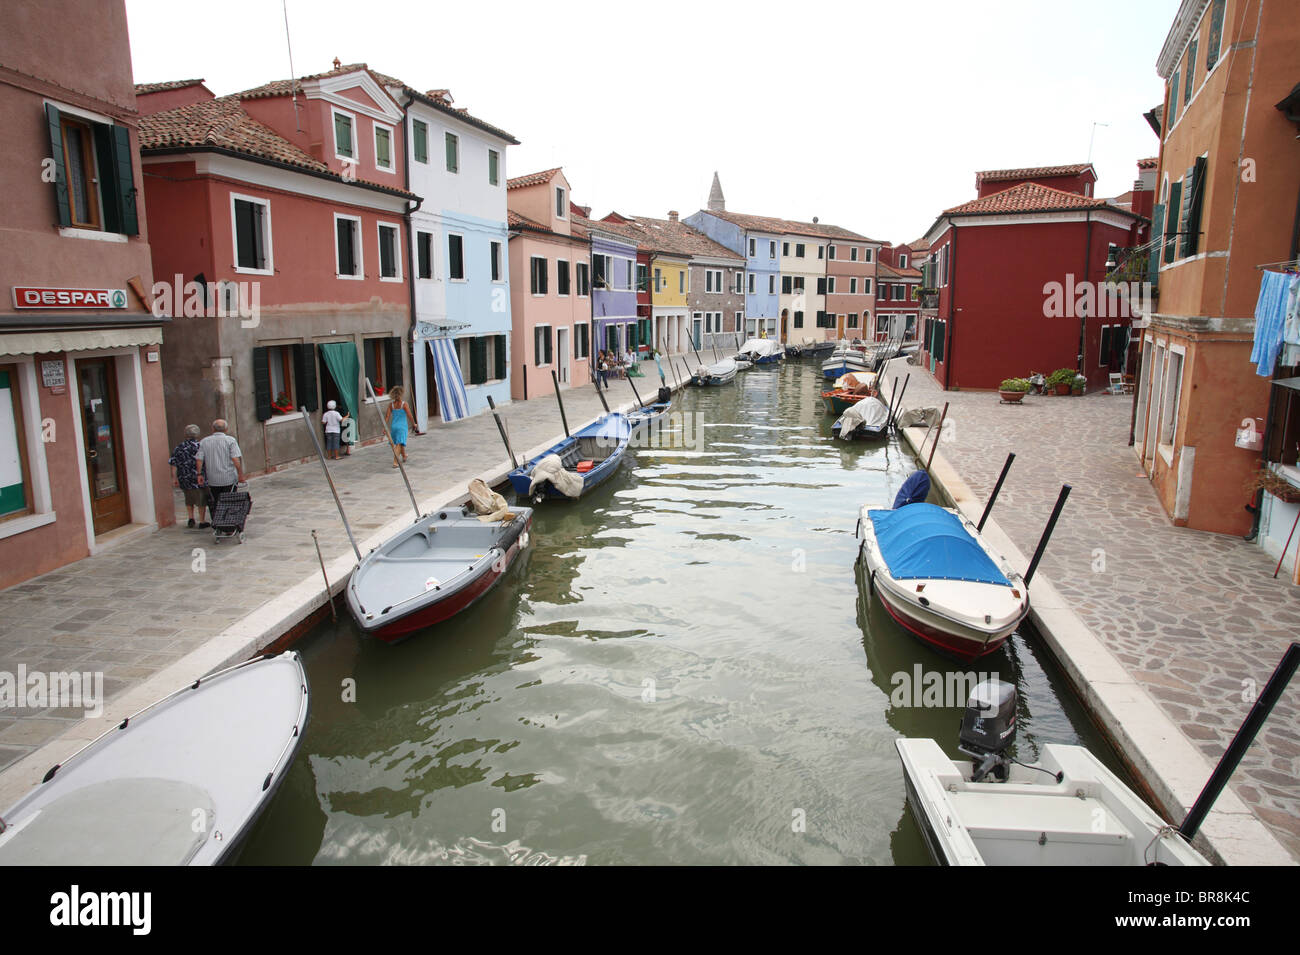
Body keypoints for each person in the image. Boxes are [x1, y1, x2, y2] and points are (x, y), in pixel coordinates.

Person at [195, 419, 245, 515]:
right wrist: (240, 474)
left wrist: (199, 474)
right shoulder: (230, 440)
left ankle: (218, 521)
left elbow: (199, 459)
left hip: (213, 479)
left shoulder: (204, 441)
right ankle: (228, 521)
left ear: (213, 429)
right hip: (229, 477)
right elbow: (235, 459)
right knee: (230, 500)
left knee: (216, 500)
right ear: (226, 429)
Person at [168, 424, 207, 528]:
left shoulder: (179, 447)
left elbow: (174, 464)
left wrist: (174, 478)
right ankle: (202, 521)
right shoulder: (200, 446)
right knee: (201, 499)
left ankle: (190, 517)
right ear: (197, 434)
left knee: (188, 497)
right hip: (198, 476)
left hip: (184, 477)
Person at [385, 385, 409, 468]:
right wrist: (414, 423)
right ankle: (395, 462)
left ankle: (404, 455)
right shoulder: (404, 404)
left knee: (400, 441)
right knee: (399, 444)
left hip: (394, 427)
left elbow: (387, 417)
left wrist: (384, 427)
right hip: (402, 427)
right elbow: (410, 415)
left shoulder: (391, 405)